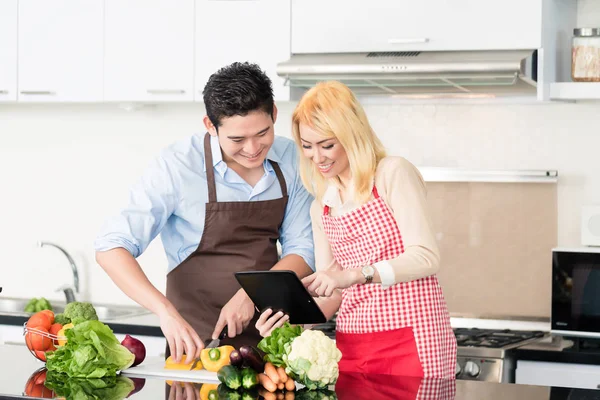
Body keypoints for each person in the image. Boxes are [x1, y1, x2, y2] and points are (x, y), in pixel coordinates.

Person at [94, 62, 315, 363]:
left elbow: (302, 250)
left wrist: (250, 294)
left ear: (274, 114)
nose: (252, 148)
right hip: (197, 343)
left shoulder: (291, 158)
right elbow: (110, 248)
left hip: (271, 339)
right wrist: (165, 312)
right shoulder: (177, 166)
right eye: (237, 139)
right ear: (210, 126)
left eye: (262, 133)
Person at [255, 81, 457, 378]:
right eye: (307, 147)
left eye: (327, 145)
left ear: (352, 135)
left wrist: (356, 274)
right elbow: (331, 293)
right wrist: (289, 323)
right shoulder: (321, 206)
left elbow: (426, 257)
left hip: (414, 341)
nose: (317, 157)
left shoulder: (392, 174)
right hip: (353, 346)